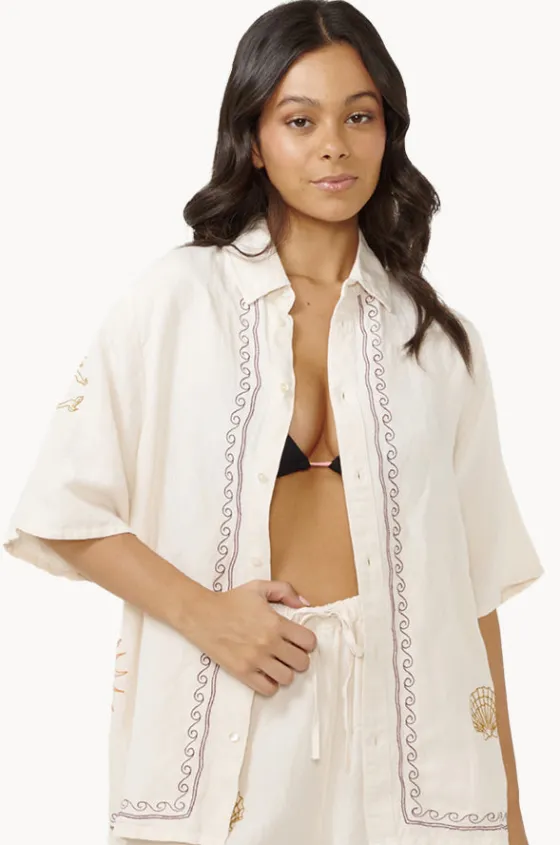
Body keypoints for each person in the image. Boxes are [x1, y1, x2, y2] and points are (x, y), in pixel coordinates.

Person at [2, 2, 545, 844]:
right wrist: (204, 613)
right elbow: (61, 510)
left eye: (359, 117)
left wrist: (510, 819)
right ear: (254, 141)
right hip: (231, 722)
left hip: (416, 755)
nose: (334, 145)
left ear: (387, 132)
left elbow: (475, 595)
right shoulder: (176, 303)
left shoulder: (440, 344)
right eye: (300, 120)